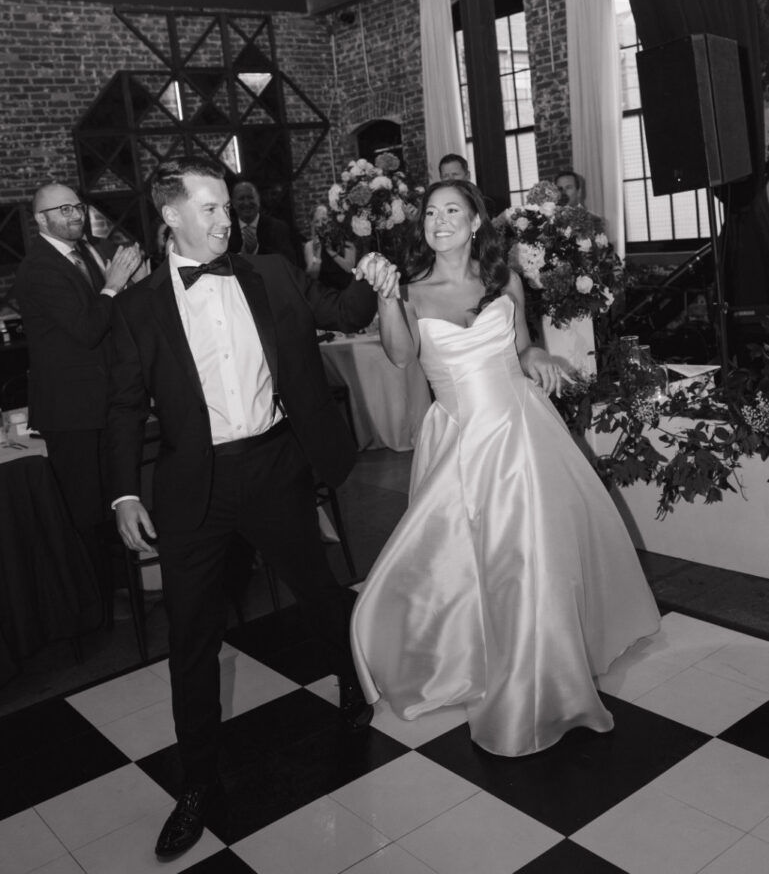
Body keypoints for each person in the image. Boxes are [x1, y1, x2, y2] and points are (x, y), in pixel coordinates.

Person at [106, 156, 393, 861]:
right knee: (192, 639)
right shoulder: (140, 307)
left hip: (272, 466)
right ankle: (196, 784)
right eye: (208, 209)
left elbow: (340, 313)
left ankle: (351, 683)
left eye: (225, 208)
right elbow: (119, 405)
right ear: (169, 214)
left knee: (318, 589)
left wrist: (374, 278)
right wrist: (123, 492)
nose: (223, 219)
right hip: (192, 488)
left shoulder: (266, 272)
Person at [351, 178, 660, 758]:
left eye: (452, 211)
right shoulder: (412, 290)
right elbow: (398, 356)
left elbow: (521, 347)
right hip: (461, 440)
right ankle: (478, 658)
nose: (439, 221)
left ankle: (547, 672)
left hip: (521, 430)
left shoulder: (505, 281)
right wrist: (387, 297)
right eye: (430, 213)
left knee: (533, 555)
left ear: (474, 224)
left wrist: (539, 354)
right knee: (474, 563)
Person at [14, 182, 142, 583]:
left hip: (108, 396)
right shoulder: (36, 268)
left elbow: (112, 317)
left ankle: (131, 588)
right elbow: (87, 329)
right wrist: (113, 284)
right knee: (86, 511)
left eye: (78, 207)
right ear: (41, 220)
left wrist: (127, 285)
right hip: (72, 410)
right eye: (64, 209)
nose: (75, 215)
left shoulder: (86, 250)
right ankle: (100, 603)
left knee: (119, 497)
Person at [227, 179, 298, 265]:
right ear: (233, 203)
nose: (246, 203)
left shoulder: (278, 228)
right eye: (241, 198)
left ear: (258, 200)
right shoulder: (226, 231)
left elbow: (289, 262)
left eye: (250, 197)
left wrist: (257, 249)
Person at [303, 203, 356, 289]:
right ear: (312, 224)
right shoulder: (309, 246)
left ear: (331, 220)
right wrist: (317, 255)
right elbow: (312, 278)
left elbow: (349, 268)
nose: (320, 224)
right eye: (316, 221)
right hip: (325, 295)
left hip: (346, 291)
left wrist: (331, 252)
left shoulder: (345, 240)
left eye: (324, 219)